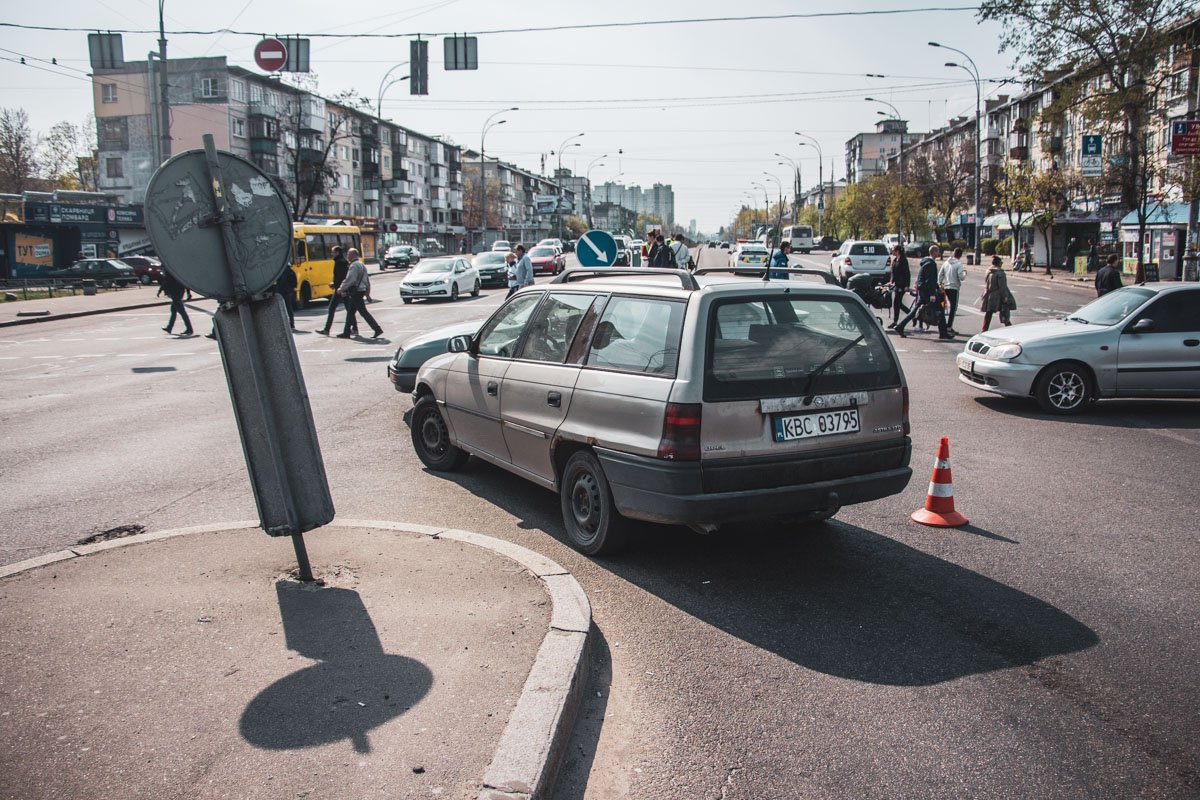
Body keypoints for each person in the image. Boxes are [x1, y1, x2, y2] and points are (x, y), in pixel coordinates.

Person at [895, 245, 951, 340]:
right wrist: (933, 294)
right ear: (933, 252)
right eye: (937, 252)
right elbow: (929, 280)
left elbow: (931, 279)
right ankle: (943, 333)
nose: (939, 254)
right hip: (927, 292)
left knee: (915, 311)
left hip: (923, 291)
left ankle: (900, 326)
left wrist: (937, 287)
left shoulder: (926, 262)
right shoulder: (931, 264)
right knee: (940, 310)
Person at [335, 248, 382, 339]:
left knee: (363, 312)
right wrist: (367, 293)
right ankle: (346, 332)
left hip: (356, 292)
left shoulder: (354, 266)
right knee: (350, 312)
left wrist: (341, 289)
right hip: (360, 291)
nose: (347, 256)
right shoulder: (361, 265)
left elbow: (350, 279)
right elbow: (366, 280)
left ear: (353, 255)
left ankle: (377, 329)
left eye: (349, 254)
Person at [318, 245, 351, 335]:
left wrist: (337, 286)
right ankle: (354, 328)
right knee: (349, 309)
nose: (331, 253)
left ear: (337, 252)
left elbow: (341, 277)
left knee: (331, 308)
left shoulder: (339, 262)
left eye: (333, 252)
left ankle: (326, 330)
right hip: (342, 288)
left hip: (340, 289)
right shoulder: (342, 261)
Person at [980, 255, 1014, 331]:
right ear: (998, 263)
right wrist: (1005, 297)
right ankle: (1010, 328)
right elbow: (1002, 287)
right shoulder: (1000, 273)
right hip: (997, 295)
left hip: (988, 294)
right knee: (1005, 311)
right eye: (1001, 262)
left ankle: (984, 329)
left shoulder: (988, 271)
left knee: (989, 313)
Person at [939, 246, 967, 334]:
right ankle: (949, 326)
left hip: (946, 287)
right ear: (960, 256)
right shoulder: (959, 264)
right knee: (953, 308)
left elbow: (940, 274)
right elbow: (961, 277)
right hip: (954, 288)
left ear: (953, 254)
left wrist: (940, 284)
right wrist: (965, 273)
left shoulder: (946, 263)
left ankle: (943, 325)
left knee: (943, 307)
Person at [157, 269, 193, 336]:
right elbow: (185, 282)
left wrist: (160, 290)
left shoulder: (170, 270)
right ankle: (169, 327)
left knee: (182, 312)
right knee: (173, 310)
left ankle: (189, 328)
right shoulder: (178, 270)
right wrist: (188, 293)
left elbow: (165, 281)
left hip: (174, 293)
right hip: (179, 292)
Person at [886, 245, 911, 329]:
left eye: (893, 250)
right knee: (898, 304)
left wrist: (907, 285)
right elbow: (893, 272)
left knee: (896, 303)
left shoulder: (903, 260)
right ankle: (912, 315)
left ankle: (895, 322)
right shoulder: (895, 260)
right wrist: (891, 281)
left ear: (897, 251)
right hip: (896, 284)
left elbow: (907, 273)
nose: (892, 251)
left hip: (902, 285)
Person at [274, 264, 297, 330]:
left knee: (284, 308)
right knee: (289, 308)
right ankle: (291, 323)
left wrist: (278, 290)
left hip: (285, 292)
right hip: (290, 291)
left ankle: (287, 324)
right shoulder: (291, 271)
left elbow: (282, 282)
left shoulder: (283, 271)